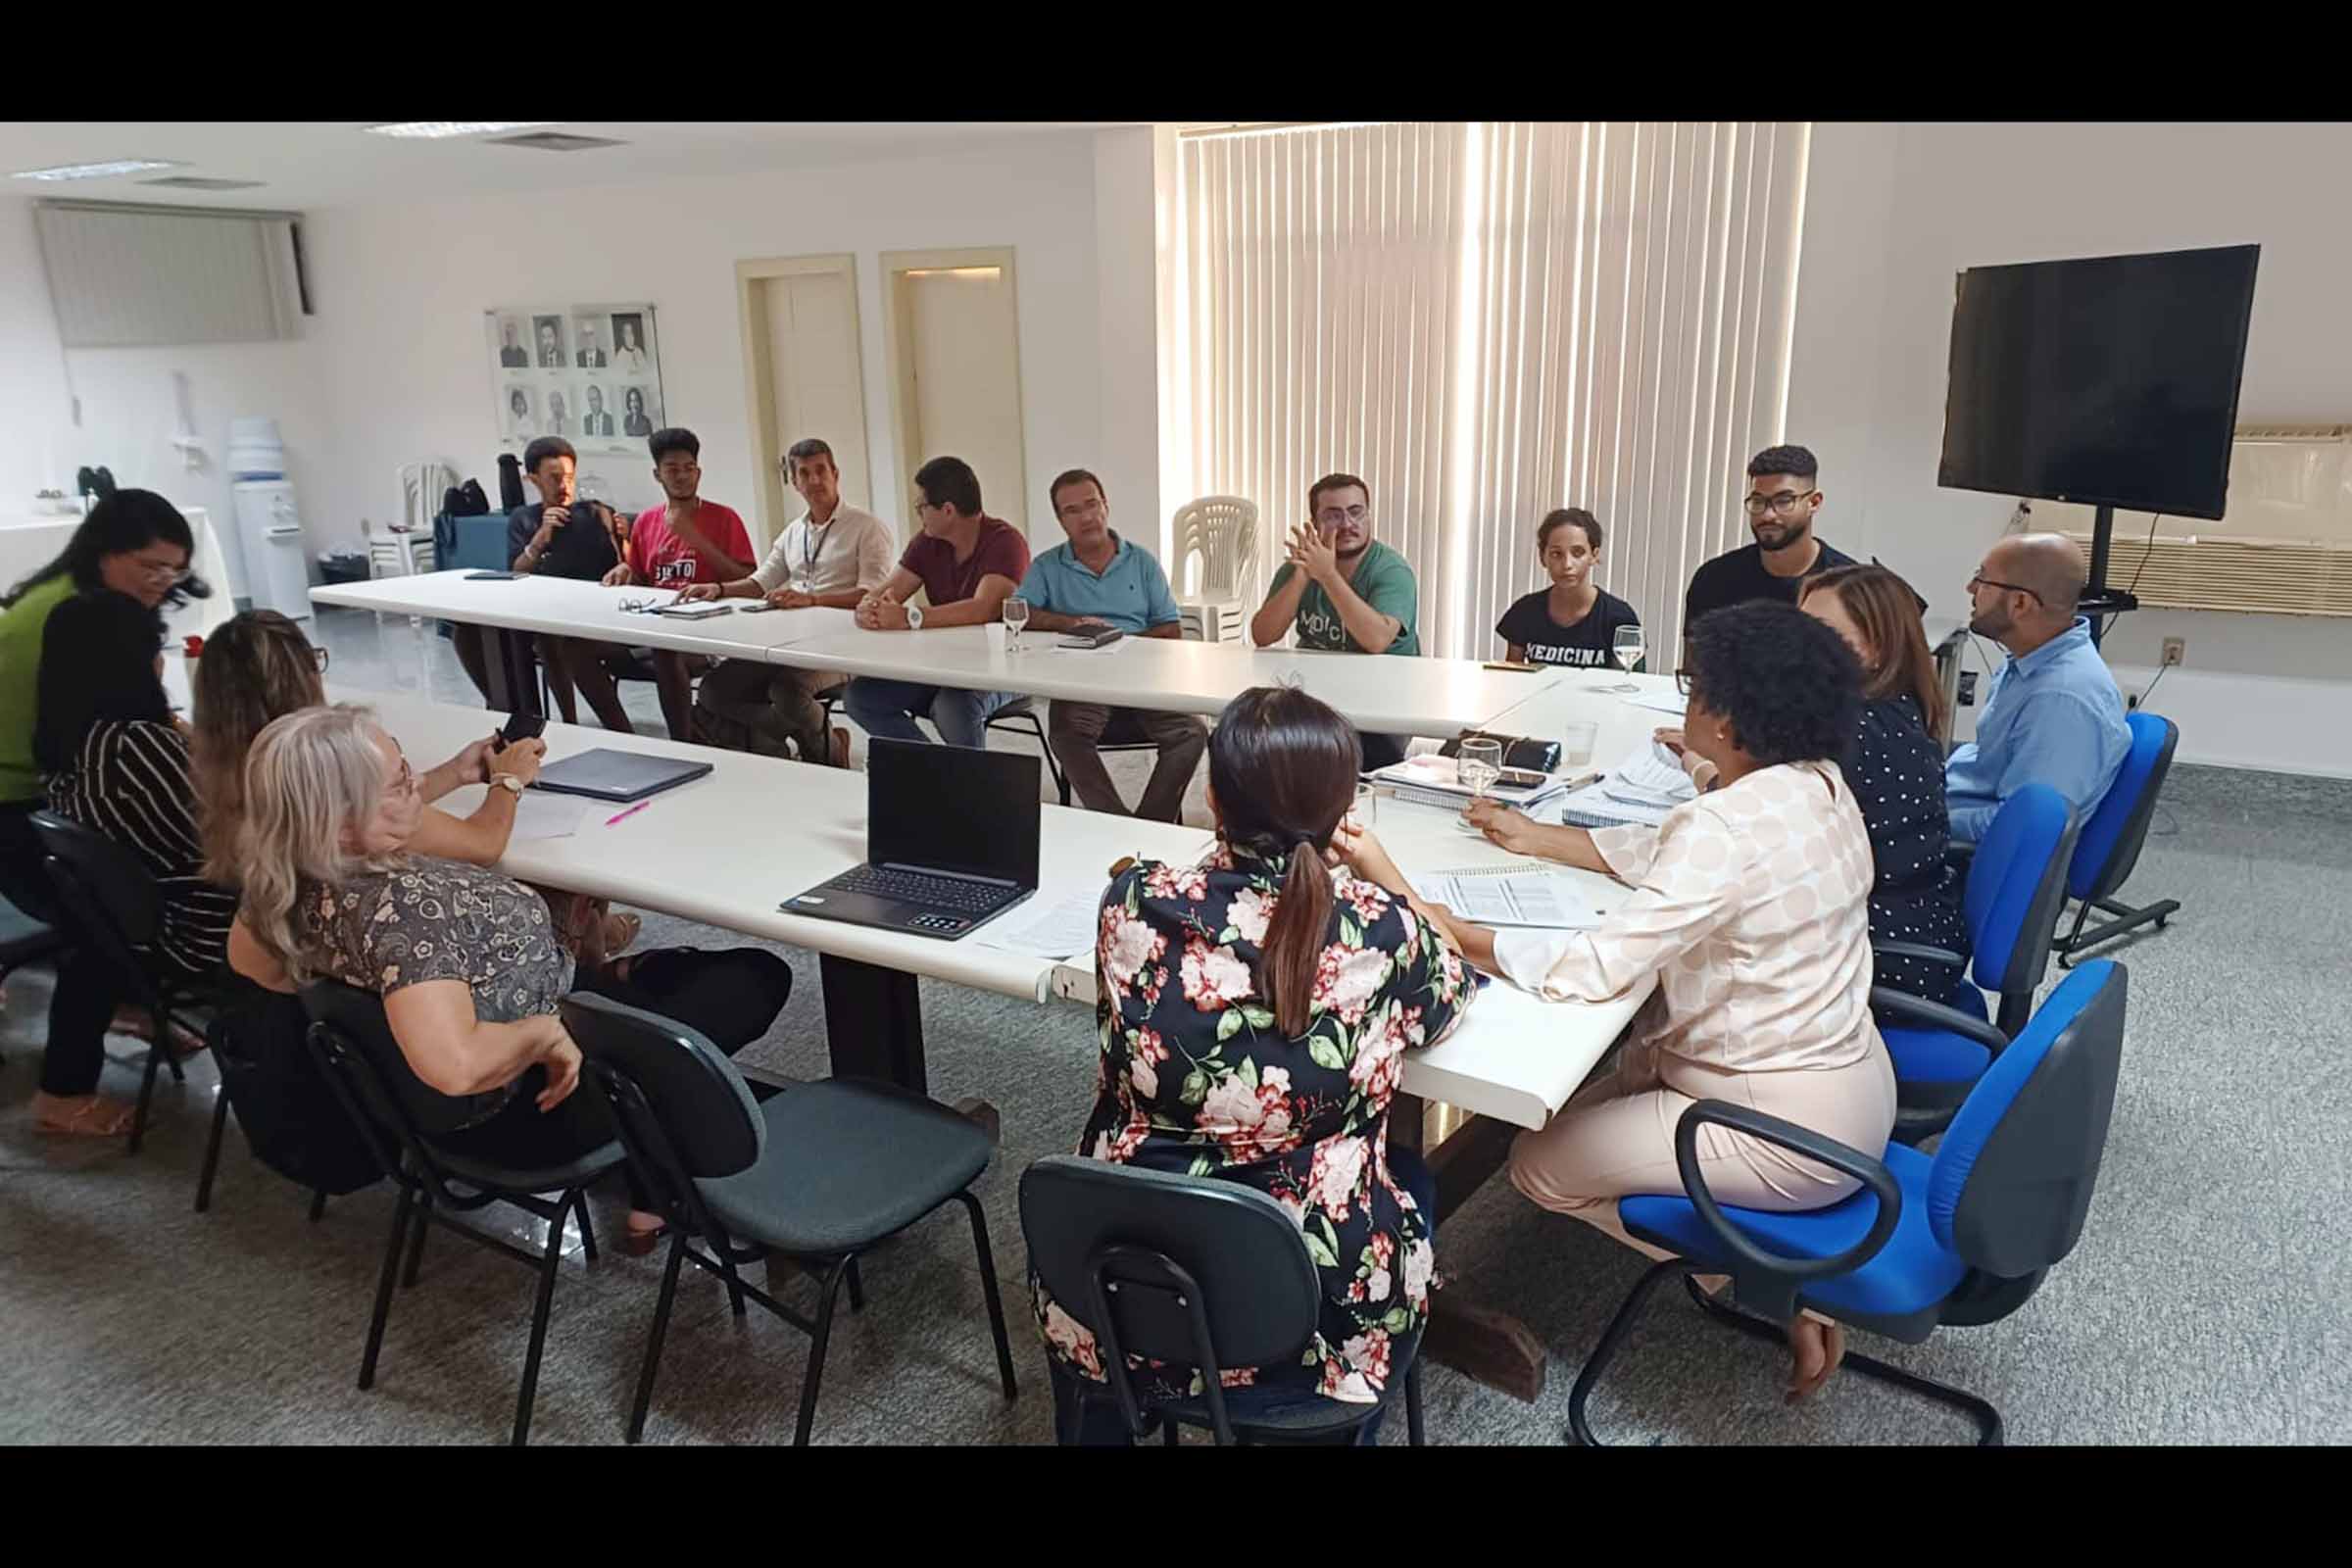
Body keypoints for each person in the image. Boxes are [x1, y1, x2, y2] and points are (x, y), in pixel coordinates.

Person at [1431, 602, 1895, 1401]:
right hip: (1854, 1086)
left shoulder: (1724, 827)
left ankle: (1764, 1284)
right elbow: (1680, 847)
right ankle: (1761, 1264)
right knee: (1570, 1108)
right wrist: (1536, 835)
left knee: (1536, 1163)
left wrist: (1462, 935)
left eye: (1695, 687)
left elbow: (1595, 968)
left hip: (1776, 1128)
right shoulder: (1820, 785)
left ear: (1725, 714)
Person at [1032, 686, 1474, 1442]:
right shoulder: (1380, 929)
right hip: (1315, 1320)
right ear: (1343, 814)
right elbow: (1450, 983)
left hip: (1124, 1287)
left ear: (1211, 798)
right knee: (1414, 1177)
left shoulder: (1133, 903)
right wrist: (1379, 867)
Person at [229, 705, 790, 1253]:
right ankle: (659, 1179)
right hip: (535, 1102)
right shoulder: (405, 912)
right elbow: (456, 1064)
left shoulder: (285, 883)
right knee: (755, 978)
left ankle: (607, 982)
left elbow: (261, 969)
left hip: (433, 1102)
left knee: (668, 978)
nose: (415, 787)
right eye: (401, 783)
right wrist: (541, 1034)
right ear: (343, 824)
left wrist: (386, 993)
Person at [0, 492, 213, 1136]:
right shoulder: (65, 616)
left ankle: (132, 1002)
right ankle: (63, 1093)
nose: (162, 584)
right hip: (17, 794)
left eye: (173, 571)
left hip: (53, 779)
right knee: (97, 921)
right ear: (105, 552)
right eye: (150, 568)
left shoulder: (86, 609)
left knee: (112, 901)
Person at [683, 436, 892, 766]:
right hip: (787, 640)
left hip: (846, 644)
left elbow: (872, 596)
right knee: (714, 689)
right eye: (804, 474)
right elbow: (760, 582)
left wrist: (813, 599)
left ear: (835, 473)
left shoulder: (866, 528)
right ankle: (812, 737)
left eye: (821, 471)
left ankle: (821, 752)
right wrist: (719, 589)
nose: (814, 480)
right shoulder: (793, 532)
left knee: (788, 691)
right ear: (794, 482)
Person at [1011, 468, 1203, 821]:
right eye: (1072, 510)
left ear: (1106, 506)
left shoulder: (1141, 561)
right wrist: (1070, 623)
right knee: (1066, 737)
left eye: (1092, 504)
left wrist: (1123, 646)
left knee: (1192, 732)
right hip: (1083, 682)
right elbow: (1019, 614)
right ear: (1060, 520)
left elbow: (1171, 628)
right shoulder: (1047, 567)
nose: (1087, 517)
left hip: (1142, 680)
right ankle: (1116, 821)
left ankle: (1151, 825)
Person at [1945, 532, 2131, 843]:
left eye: (1982, 579)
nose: (1971, 589)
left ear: (2020, 603)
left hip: (1964, 851)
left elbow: (2024, 828)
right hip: (1954, 802)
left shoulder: (2060, 700)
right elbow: (1988, 759)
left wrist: (1924, 817)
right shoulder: (2030, 661)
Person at [844, 456, 1028, 751]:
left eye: (921, 506)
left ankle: (973, 789)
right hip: (940, 663)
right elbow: (886, 592)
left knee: (952, 707)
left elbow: (984, 609)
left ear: (948, 510)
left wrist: (909, 618)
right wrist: (868, 608)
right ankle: (933, 771)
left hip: (997, 667)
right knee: (859, 697)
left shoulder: (1006, 542)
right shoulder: (927, 541)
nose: (918, 513)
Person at [1249, 472, 1420, 769]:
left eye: (1356, 512)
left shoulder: (1391, 570)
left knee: (1349, 753)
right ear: (1315, 523)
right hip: (1317, 691)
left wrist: (1328, 575)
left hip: (1384, 699)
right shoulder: (1302, 566)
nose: (1347, 524)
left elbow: (1376, 640)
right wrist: (1304, 574)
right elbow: (1263, 634)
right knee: (1250, 740)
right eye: (1333, 515)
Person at [601, 427, 754, 740]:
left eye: (689, 469)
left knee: (665, 652)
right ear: (658, 475)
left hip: (708, 634)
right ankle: (620, 734)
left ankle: (682, 743)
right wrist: (624, 570)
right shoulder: (646, 520)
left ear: (699, 472)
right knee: (575, 646)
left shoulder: (724, 518)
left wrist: (692, 536)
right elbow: (642, 577)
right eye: (673, 469)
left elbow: (747, 581)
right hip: (655, 627)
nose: (682, 476)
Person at [502, 436, 637, 733]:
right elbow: (515, 572)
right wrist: (540, 538)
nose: (563, 486)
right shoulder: (524, 519)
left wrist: (626, 542)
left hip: (601, 616)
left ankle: (604, 727)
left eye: (569, 478)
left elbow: (627, 569)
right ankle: (558, 720)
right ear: (533, 480)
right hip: (549, 616)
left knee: (559, 639)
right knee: (532, 635)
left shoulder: (596, 512)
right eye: (554, 478)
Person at [1683, 445, 1857, 629]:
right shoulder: (1715, 579)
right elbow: (1695, 657)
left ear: (1813, 503)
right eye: (1758, 501)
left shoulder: (1849, 587)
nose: (1767, 515)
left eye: (1783, 501)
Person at [1494, 508, 1642, 667]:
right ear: (1542, 557)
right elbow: (1511, 679)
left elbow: (1630, 684)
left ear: (1594, 556)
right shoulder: (1525, 611)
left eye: (1578, 553)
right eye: (1556, 554)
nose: (1567, 565)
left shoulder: (1619, 617)